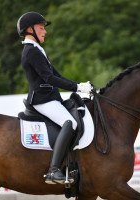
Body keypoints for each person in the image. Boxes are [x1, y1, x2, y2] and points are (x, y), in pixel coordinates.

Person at [17, 11, 92, 185]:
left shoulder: (37, 49)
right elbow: (49, 78)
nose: (45, 31)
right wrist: (77, 87)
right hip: (42, 99)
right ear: (30, 29)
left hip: (50, 97)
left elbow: (56, 74)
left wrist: (79, 85)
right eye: (41, 28)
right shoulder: (31, 51)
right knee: (70, 123)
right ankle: (54, 170)